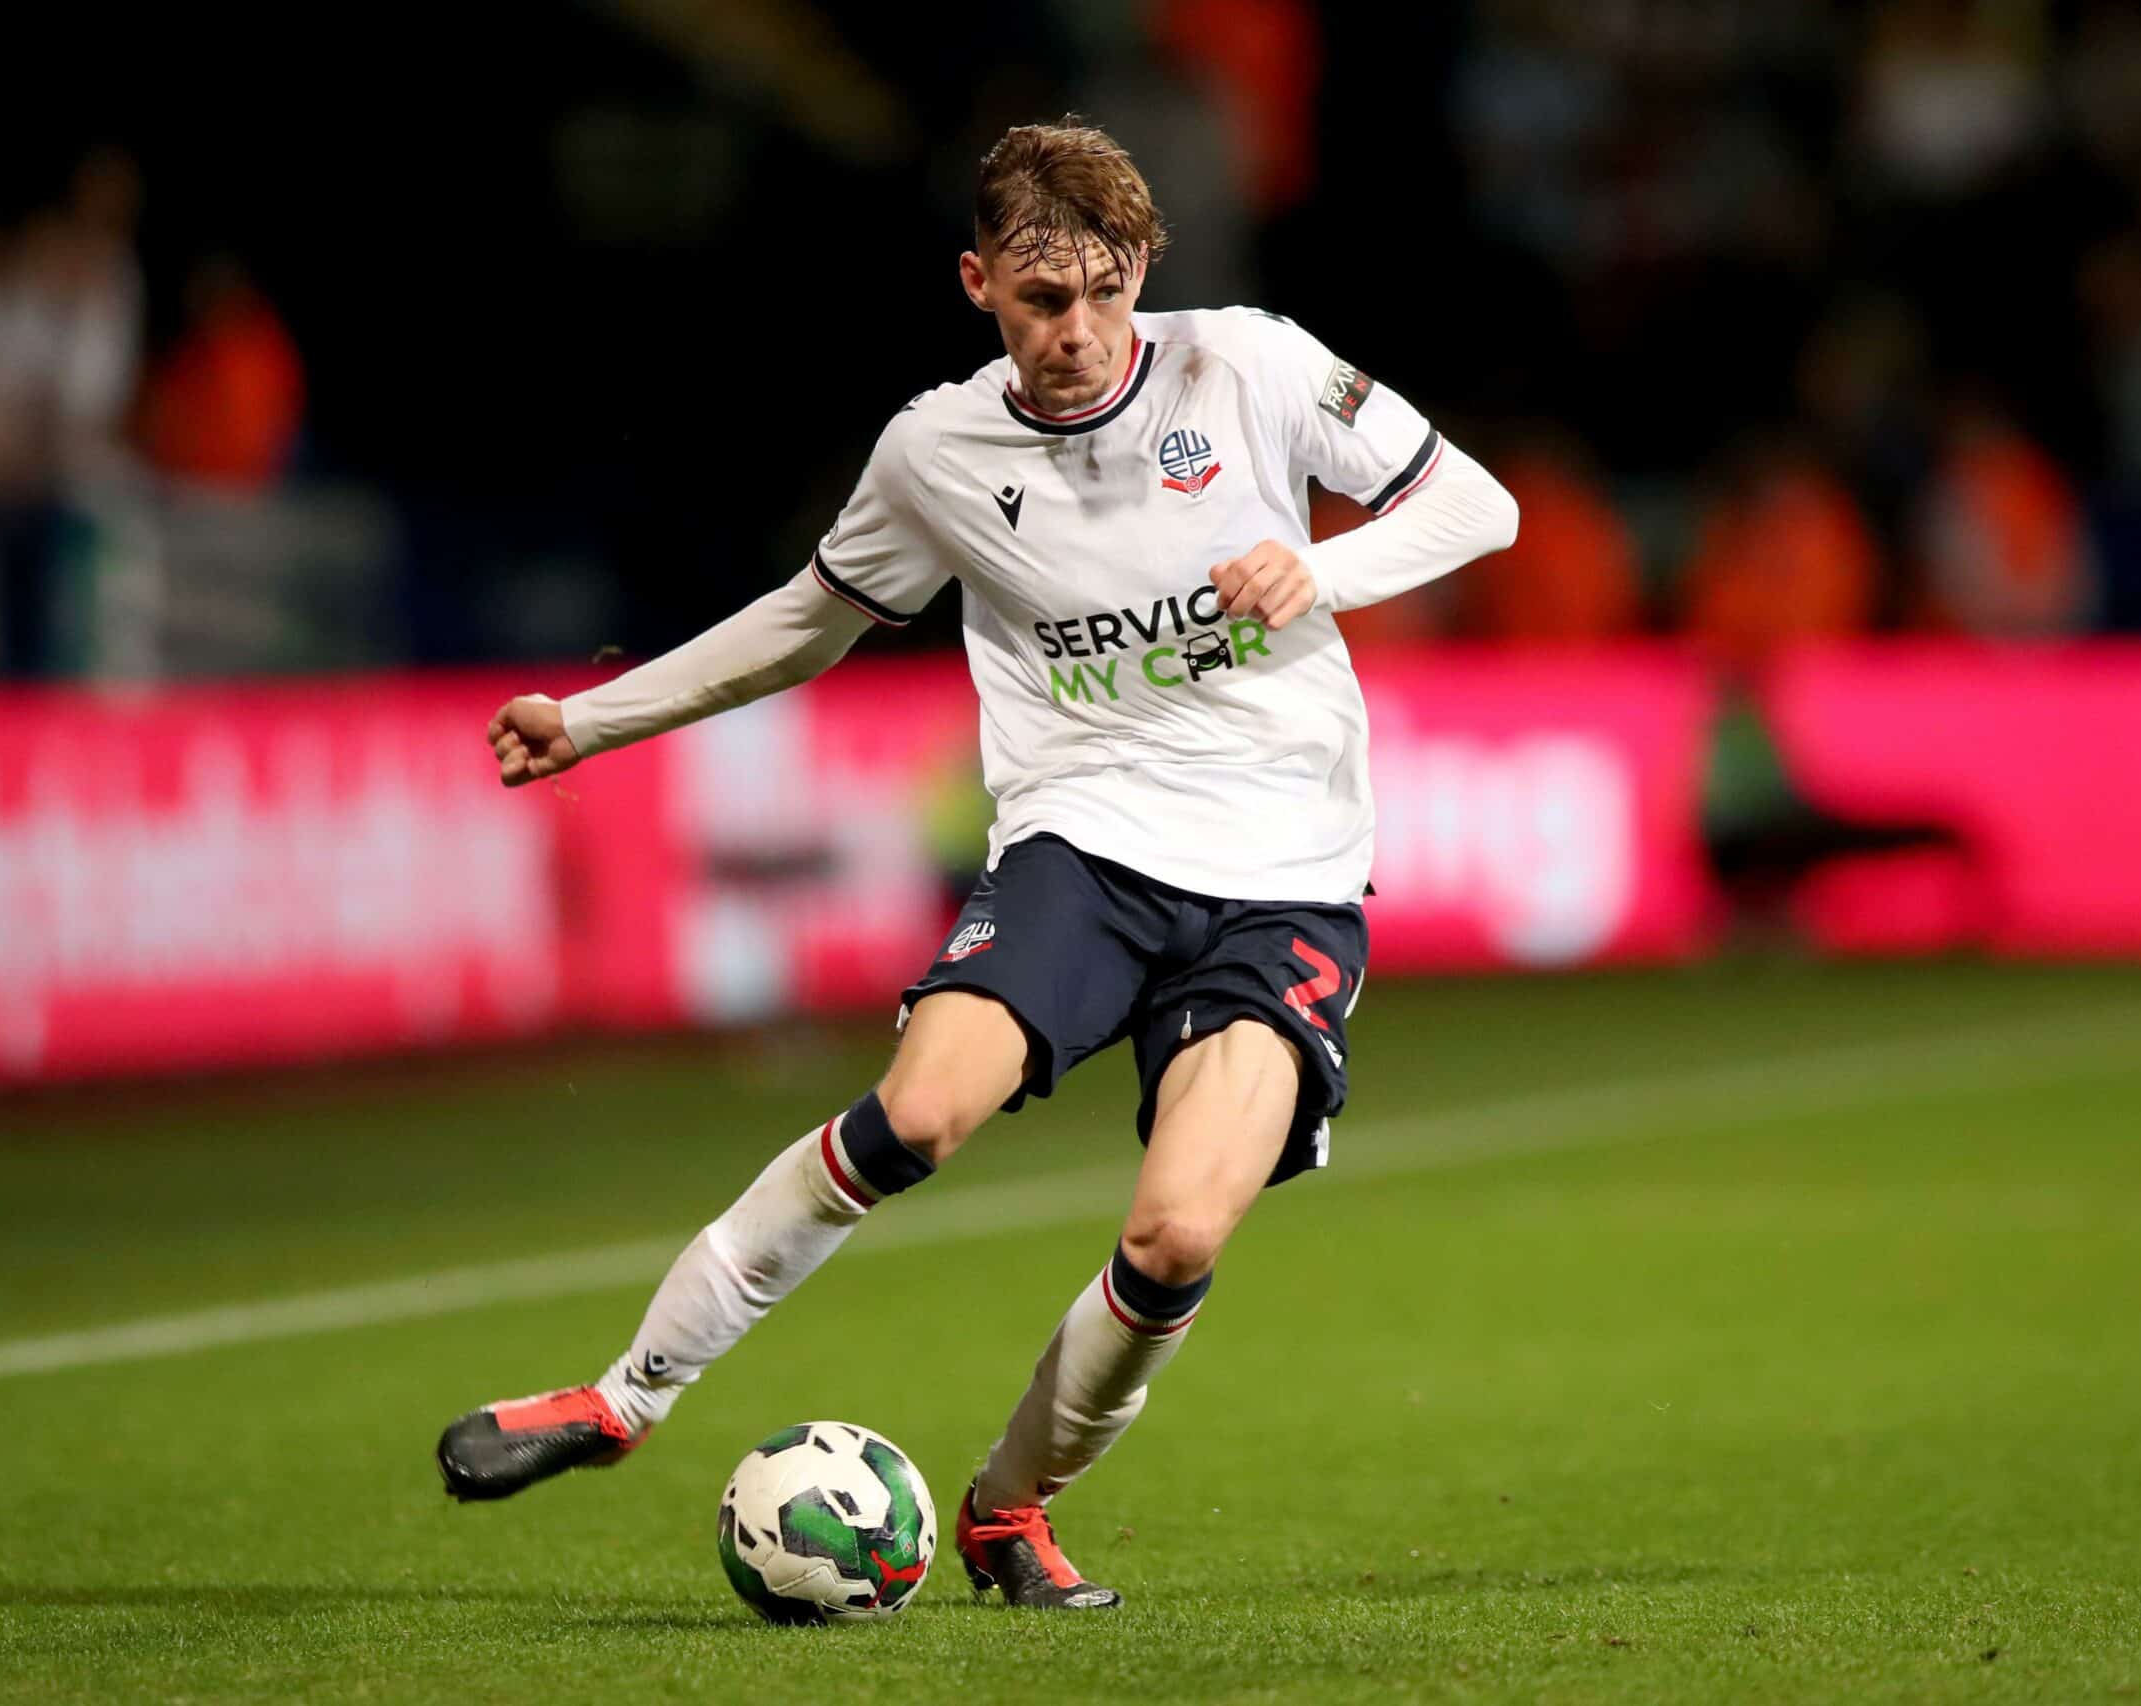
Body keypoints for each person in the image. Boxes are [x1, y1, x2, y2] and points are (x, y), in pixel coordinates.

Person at [437, 120, 1519, 1610]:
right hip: (1084, 839)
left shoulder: (1249, 365)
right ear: (977, 285)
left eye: (1098, 295)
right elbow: (806, 621)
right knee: (920, 1111)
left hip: (1288, 869)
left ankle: (1010, 1507)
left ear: (1141, 269)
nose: (1074, 334)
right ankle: (626, 1395)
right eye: (1037, 302)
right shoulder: (937, 452)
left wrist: (1315, 569)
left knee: (1180, 1227)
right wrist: (594, 718)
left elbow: (1480, 503)